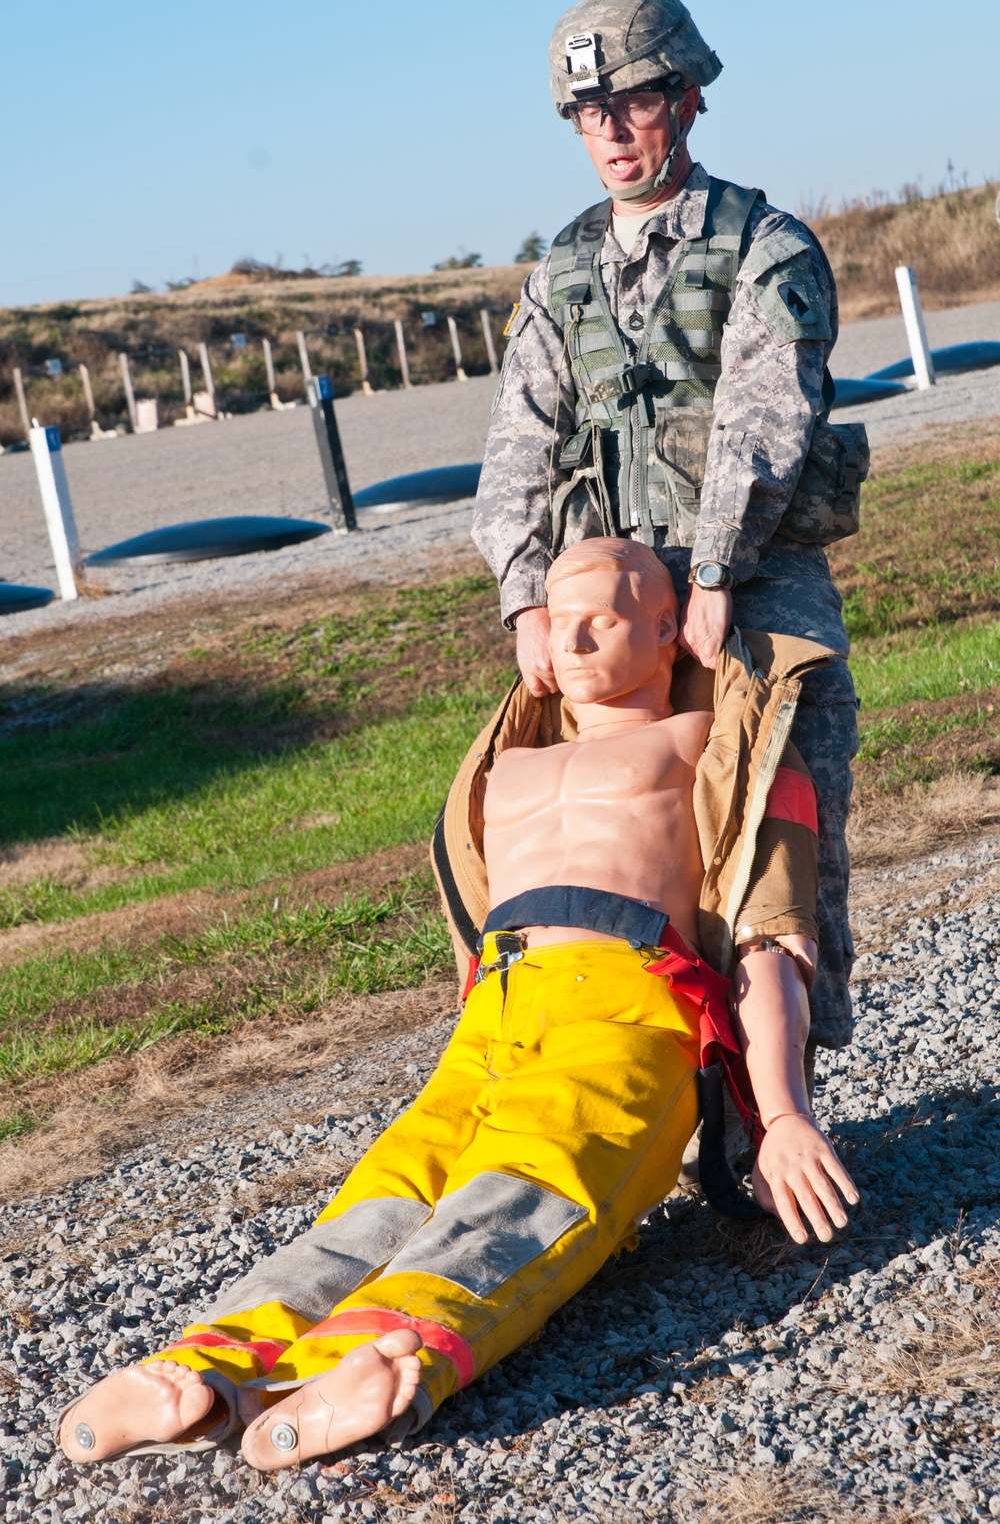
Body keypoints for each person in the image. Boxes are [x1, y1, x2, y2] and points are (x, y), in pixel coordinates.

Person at [58, 540, 857, 1474]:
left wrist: (782, 1112)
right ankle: (209, 1365)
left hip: (632, 1010)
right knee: (385, 1192)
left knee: (525, 1190)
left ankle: (383, 1358)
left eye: (604, 613)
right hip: (495, 1011)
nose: (574, 636)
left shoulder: (726, 747)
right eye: (558, 617)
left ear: (671, 627)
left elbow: (772, 930)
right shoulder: (504, 760)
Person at [472, 0, 864, 1058]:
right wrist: (522, 605)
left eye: (631, 103)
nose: (608, 130)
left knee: (782, 838)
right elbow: (518, 441)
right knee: (600, 858)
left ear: (685, 99)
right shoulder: (559, 275)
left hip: (750, 591)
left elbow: (762, 418)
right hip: (602, 612)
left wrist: (716, 576)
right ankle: (628, 1077)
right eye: (585, 112)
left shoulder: (763, 246)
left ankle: (780, 1099)